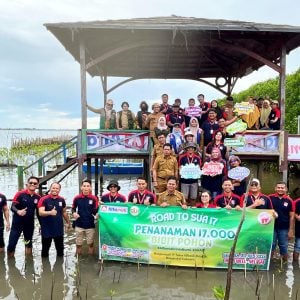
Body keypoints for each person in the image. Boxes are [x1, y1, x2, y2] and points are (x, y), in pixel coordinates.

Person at [7, 176, 41, 257]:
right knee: (12, 244)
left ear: (37, 185)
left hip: (29, 225)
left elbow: (39, 213)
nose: (32, 184)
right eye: (31, 182)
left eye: (35, 183)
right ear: (27, 184)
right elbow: (12, 207)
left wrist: (41, 225)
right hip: (17, 224)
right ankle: (10, 264)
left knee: (28, 243)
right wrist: (18, 211)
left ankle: (28, 262)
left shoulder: (38, 197)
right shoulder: (20, 194)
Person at [38, 182, 70, 258]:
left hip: (58, 229)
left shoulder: (61, 200)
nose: (55, 190)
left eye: (57, 188)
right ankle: (45, 267)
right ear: (50, 188)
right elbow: (40, 212)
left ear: (59, 190)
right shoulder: (44, 199)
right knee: (45, 251)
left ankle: (59, 268)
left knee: (60, 251)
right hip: (47, 229)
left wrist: (68, 222)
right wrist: (50, 212)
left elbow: (64, 212)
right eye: (53, 188)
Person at [72, 179, 99, 255]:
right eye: (84, 186)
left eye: (88, 186)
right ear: (81, 187)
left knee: (90, 244)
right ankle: (78, 260)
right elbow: (73, 208)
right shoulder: (77, 198)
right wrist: (74, 213)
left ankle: (90, 260)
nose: (86, 188)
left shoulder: (94, 198)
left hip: (90, 224)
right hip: (79, 224)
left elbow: (95, 211)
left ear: (90, 188)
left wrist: (97, 213)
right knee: (78, 244)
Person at [269, 181, 294, 261]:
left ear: (286, 189)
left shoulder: (289, 200)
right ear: (275, 188)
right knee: (271, 245)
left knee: (283, 245)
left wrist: (291, 230)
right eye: (278, 187)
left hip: (284, 228)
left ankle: (285, 263)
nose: (280, 189)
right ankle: (269, 264)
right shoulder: (269, 198)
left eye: (282, 188)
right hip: (270, 227)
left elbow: (292, 216)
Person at [293, 197, 300, 262]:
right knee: (298, 246)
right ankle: (295, 265)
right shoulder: (296, 201)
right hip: (299, 229)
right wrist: (296, 216)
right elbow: (292, 212)